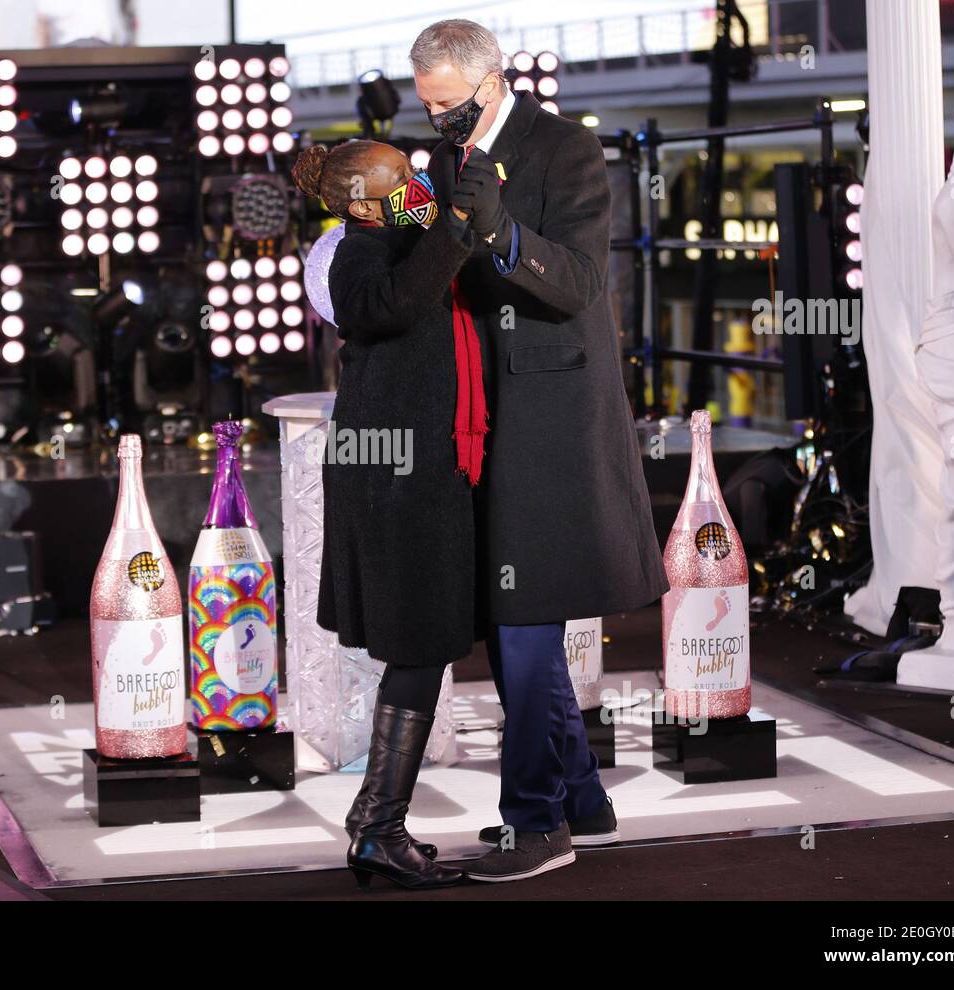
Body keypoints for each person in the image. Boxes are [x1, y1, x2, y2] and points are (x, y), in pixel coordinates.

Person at [409, 19, 669, 883]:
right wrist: (385, 217)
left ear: (490, 84)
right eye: (428, 105)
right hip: (476, 414)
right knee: (512, 620)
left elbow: (584, 281)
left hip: (553, 415)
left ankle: (535, 823)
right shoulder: (440, 161)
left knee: (523, 625)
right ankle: (582, 800)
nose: (438, 118)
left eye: (448, 105)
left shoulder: (568, 150)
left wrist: (505, 236)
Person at [292, 139, 480, 889]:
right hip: (395, 478)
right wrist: (452, 226)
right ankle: (377, 827)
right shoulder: (355, 256)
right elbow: (390, 308)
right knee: (419, 644)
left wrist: (446, 222)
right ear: (365, 200)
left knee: (423, 644)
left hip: (416, 472)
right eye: (401, 179)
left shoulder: (396, 236)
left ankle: (377, 824)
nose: (418, 183)